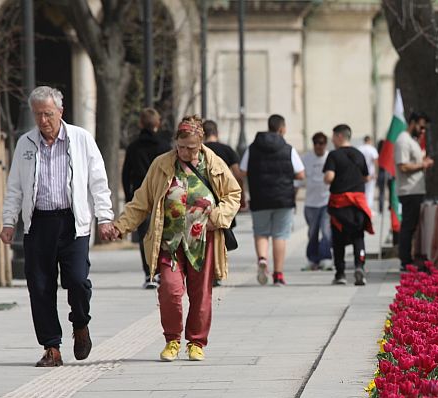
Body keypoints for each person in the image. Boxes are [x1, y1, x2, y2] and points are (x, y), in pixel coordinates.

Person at [107, 115, 241, 362]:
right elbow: (141, 201)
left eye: (191, 148)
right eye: (181, 147)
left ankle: (196, 342)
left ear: (200, 143)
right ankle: (172, 339)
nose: (185, 152)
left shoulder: (214, 164)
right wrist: (120, 226)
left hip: (203, 241)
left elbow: (234, 194)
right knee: (169, 289)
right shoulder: (161, 165)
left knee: (201, 295)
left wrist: (219, 216)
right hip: (170, 241)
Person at [0, 86, 114, 368]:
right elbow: (15, 186)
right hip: (38, 223)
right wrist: (8, 221)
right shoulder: (26, 143)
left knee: (77, 280)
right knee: (40, 286)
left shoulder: (80, 139)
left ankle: (81, 324)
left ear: (60, 112)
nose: (43, 120)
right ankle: (52, 347)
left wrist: (106, 216)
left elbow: (98, 181)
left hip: (72, 223)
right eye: (38, 115)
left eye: (48, 114)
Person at [240, 114, 305, 286]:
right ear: (282, 128)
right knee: (280, 235)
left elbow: (242, 171)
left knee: (261, 232)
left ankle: (262, 258)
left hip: (259, 197)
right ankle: (278, 275)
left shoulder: (252, 148)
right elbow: (301, 173)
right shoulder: (288, 148)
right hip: (283, 199)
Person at [121, 108, 170, 289]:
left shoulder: (134, 147)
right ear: (158, 123)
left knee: (145, 236)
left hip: (141, 197)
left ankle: (149, 274)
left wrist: (129, 197)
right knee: (163, 235)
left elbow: (126, 174)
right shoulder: (165, 146)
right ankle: (162, 272)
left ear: (140, 124)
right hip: (162, 196)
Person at [323, 124, 373, 286]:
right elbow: (366, 176)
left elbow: (329, 177)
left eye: (333, 136)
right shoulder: (359, 154)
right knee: (358, 235)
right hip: (358, 202)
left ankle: (341, 274)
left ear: (339, 136)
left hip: (340, 204)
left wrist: (326, 179)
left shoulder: (333, 155)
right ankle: (360, 266)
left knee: (338, 239)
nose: (332, 140)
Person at [203, 119, 245, 287]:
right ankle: (216, 269)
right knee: (221, 236)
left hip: (204, 199)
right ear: (217, 132)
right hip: (223, 200)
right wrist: (241, 197)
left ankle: (210, 269)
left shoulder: (199, 151)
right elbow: (237, 174)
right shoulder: (227, 150)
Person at [395, 111, 433, 270]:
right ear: (413, 123)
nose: (423, 131)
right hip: (409, 190)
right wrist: (422, 165)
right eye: (421, 127)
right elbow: (402, 166)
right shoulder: (403, 141)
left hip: (416, 189)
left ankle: (412, 257)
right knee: (408, 226)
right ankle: (405, 260)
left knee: (413, 226)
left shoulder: (413, 141)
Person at [300, 132, 333, 271]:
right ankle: (313, 259)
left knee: (326, 231)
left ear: (325, 144)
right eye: (316, 143)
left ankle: (326, 258)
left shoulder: (330, 157)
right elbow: (298, 178)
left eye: (321, 143)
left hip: (326, 201)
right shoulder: (306, 158)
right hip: (311, 202)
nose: (319, 146)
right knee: (312, 233)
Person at [357, 135, 379, 212]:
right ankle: (368, 209)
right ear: (370, 141)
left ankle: (361, 207)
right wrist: (376, 172)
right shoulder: (372, 149)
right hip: (370, 174)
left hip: (360, 174)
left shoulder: (359, 148)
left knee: (362, 191)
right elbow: (375, 161)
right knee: (370, 191)